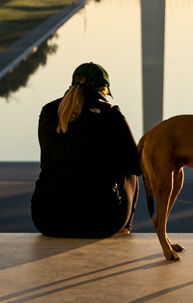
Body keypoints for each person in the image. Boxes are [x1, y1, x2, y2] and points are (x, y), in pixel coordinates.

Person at [31, 62, 140, 238]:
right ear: (103, 89)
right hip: (100, 221)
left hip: (46, 219)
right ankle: (124, 229)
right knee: (130, 169)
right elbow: (136, 165)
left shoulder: (48, 111)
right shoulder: (110, 112)